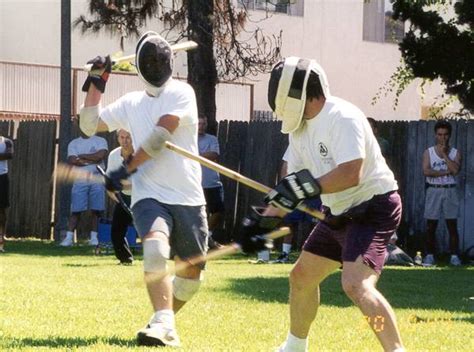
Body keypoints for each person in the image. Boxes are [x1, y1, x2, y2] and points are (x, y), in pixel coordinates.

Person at [243, 57, 404, 352]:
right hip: (339, 211)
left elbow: (350, 172)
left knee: (356, 285)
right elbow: (291, 185)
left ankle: (395, 350)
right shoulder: (299, 128)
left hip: (373, 208)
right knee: (301, 277)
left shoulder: (342, 117)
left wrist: (304, 188)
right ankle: (295, 347)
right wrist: (263, 223)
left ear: (295, 93)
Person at [77, 32, 208, 347]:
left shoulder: (182, 92)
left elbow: (161, 135)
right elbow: (88, 125)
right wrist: (97, 82)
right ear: (138, 66)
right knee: (154, 248)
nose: (154, 65)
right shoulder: (131, 103)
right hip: (149, 195)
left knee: (191, 279)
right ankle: (164, 323)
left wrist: (127, 165)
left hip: (187, 196)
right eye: (148, 61)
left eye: (157, 60)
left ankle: (163, 319)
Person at [422, 120, 462, 266]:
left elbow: (456, 170)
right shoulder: (429, 152)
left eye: (445, 135)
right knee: (431, 225)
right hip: (434, 190)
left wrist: (445, 155)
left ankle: (454, 256)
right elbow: (426, 171)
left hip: (450, 189)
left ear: (449, 135)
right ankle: (429, 255)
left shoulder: (455, 152)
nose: (442, 138)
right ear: (435, 135)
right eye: (439, 134)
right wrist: (445, 171)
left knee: (451, 224)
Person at [60, 130, 108, 247]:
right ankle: (69, 238)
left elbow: (100, 156)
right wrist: (92, 159)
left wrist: (82, 157)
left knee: (96, 210)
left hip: (97, 178)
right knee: (76, 209)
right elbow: (72, 160)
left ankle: (94, 238)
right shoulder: (74, 143)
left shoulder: (101, 141)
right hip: (79, 179)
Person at [106, 129, 135, 264]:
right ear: (118, 138)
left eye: (128, 137)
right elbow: (109, 180)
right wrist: (113, 193)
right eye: (122, 137)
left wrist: (124, 186)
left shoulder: (141, 154)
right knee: (116, 231)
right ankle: (126, 259)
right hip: (123, 197)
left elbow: (143, 182)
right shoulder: (113, 155)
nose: (125, 141)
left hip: (143, 197)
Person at [198, 115, 225, 248]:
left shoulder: (212, 139)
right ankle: (200, 238)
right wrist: (204, 156)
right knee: (197, 212)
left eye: (203, 124)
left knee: (218, 211)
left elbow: (214, 155)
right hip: (195, 183)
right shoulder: (188, 139)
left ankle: (206, 235)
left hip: (212, 181)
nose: (201, 126)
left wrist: (195, 155)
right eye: (198, 124)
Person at [0, 135, 13, 253]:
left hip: (2, 177)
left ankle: (1, 235)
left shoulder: (7, 142)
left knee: (2, 208)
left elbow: (9, 155)